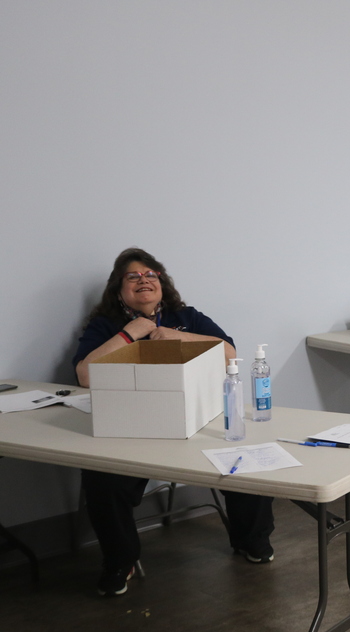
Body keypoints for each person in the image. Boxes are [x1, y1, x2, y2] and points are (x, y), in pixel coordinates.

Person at [73, 248, 275, 597]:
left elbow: (229, 352)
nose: (143, 280)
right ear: (118, 288)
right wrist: (131, 333)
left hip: (197, 419)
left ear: (162, 283)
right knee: (101, 475)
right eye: (133, 276)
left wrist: (176, 335)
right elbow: (85, 375)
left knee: (244, 455)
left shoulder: (186, 316)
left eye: (151, 275)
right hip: (134, 425)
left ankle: (251, 540)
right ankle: (122, 561)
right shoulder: (106, 324)